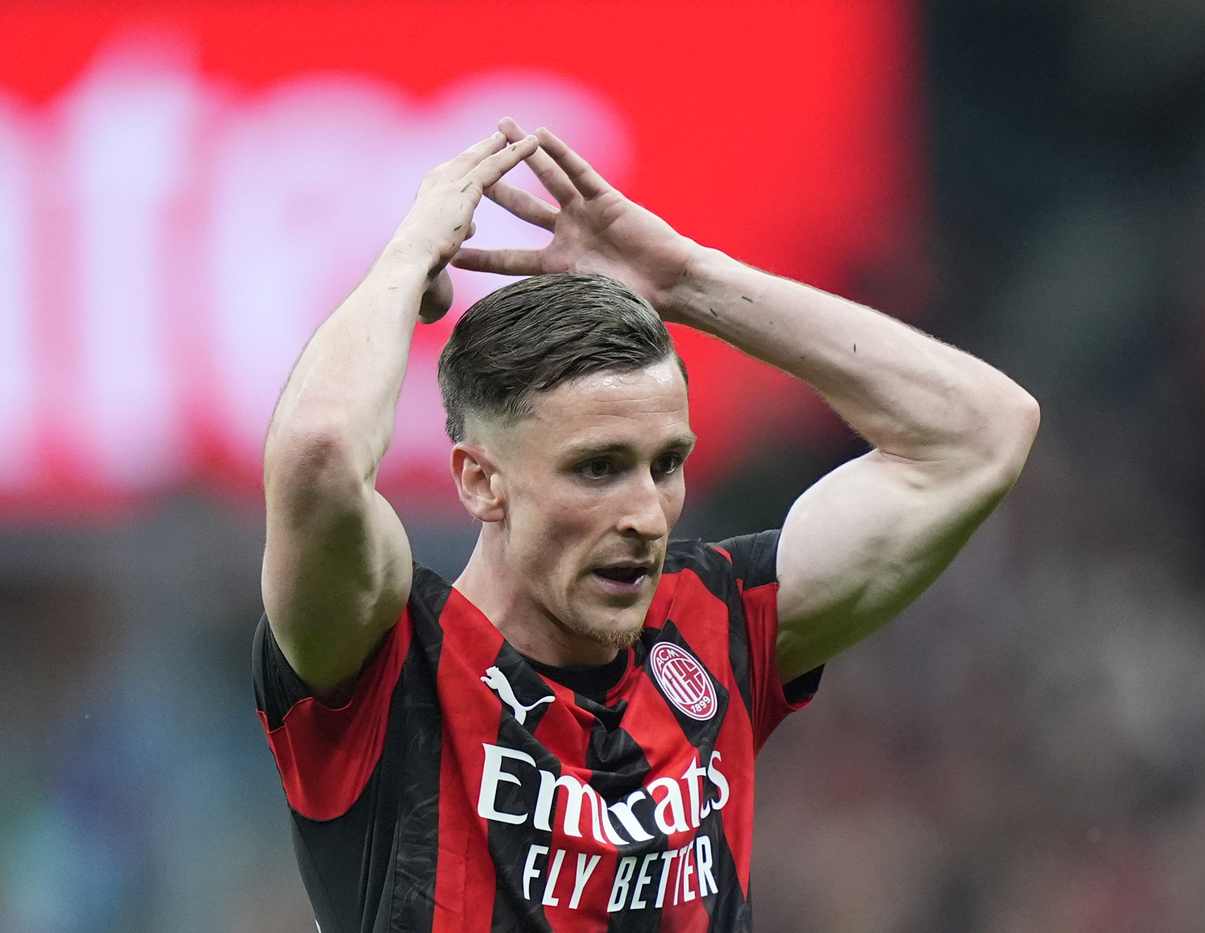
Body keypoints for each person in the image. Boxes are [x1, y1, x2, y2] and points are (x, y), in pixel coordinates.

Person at [253, 117, 1039, 932]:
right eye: (597, 467)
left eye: (665, 463)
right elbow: (318, 456)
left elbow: (981, 433)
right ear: (482, 482)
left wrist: (688, 280)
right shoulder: (385, 661)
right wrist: (404, 258)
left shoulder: (714, 623)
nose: (644, 512)